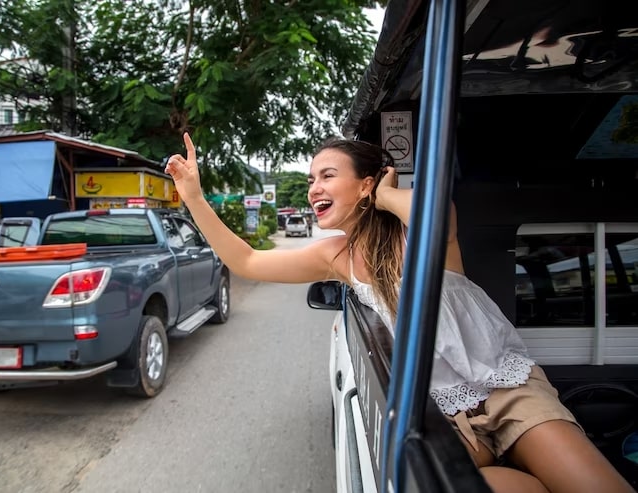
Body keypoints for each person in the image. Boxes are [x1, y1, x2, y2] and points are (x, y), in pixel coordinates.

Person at [166, 133, 634, 493]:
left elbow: (439, 216)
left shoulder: (419, 235)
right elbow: (247, 261)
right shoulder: (336, 256)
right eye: (311, 179)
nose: (314, 188)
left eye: (327, 175)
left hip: (506, 389)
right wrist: (194, 197)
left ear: (365, 183)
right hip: (442, 414)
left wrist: (386, 196)